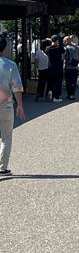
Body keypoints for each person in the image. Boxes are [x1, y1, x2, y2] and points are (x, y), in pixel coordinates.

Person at [0, 34, 25, 174]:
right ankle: (2, 167)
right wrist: (20, 105)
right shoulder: (11, 65)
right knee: (6, 137)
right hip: (6, 106)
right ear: (4, 48)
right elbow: (17, 87)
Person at [45, 34, 65, 102]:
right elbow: (63, 54)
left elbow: (46, 52)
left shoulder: (48, 48)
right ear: (57, 41)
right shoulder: (59, 48)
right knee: (58, 83)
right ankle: (56, 97)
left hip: (50, 67)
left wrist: (51, 41)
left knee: (51, 81)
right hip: (58, 67)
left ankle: (50, 91)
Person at [63, 36, 79, 100]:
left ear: (68, 41)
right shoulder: (77, 47)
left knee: (68, 82)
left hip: (67, 67)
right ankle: (72, 94)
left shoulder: (65, 48)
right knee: (74, 82)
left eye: (65, 41)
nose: (64, 42)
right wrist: (77, 62)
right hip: (75, 67)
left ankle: (69, 94)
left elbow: (63, 57)